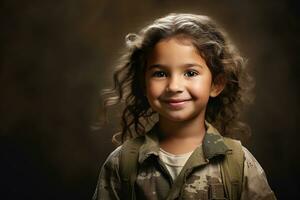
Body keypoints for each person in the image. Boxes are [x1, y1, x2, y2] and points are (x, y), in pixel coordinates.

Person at [93, 13, 276, 200]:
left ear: (216, 84)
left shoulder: (239, 163)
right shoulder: (121, 163)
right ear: (144, 83)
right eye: (160, 73)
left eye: (190, 73)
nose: (174, 87)